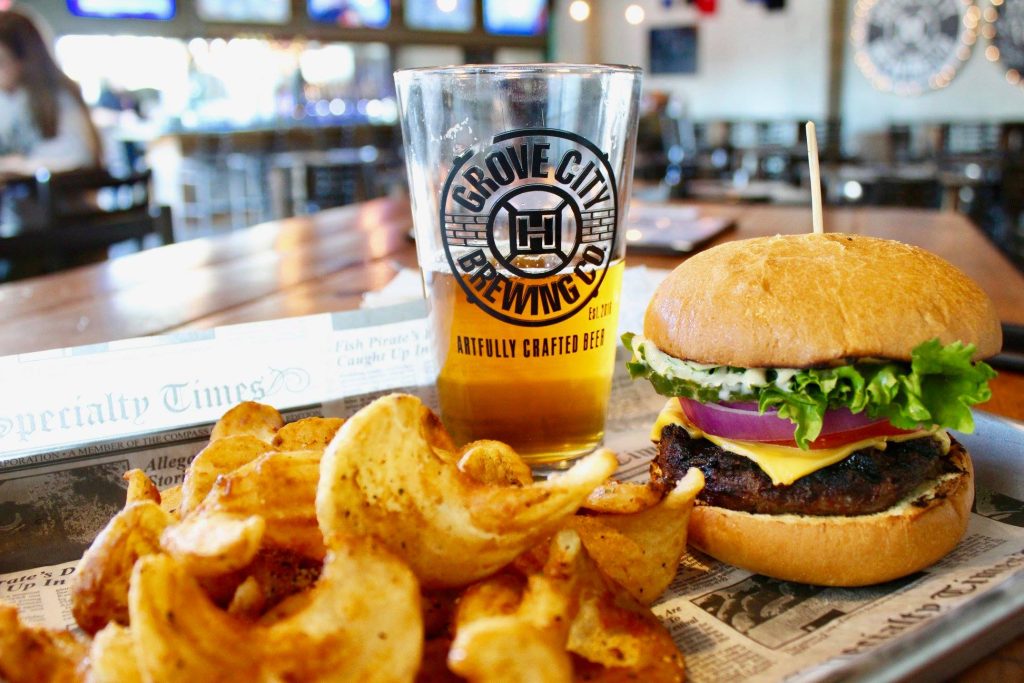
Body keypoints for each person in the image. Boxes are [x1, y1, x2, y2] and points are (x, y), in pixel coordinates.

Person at [0, 9, 101, 178]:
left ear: (24, 60)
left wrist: (16, 165)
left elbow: (77, 158)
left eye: (1, 62)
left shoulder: (59, 97)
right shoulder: (7, 100)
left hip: (64, 198)